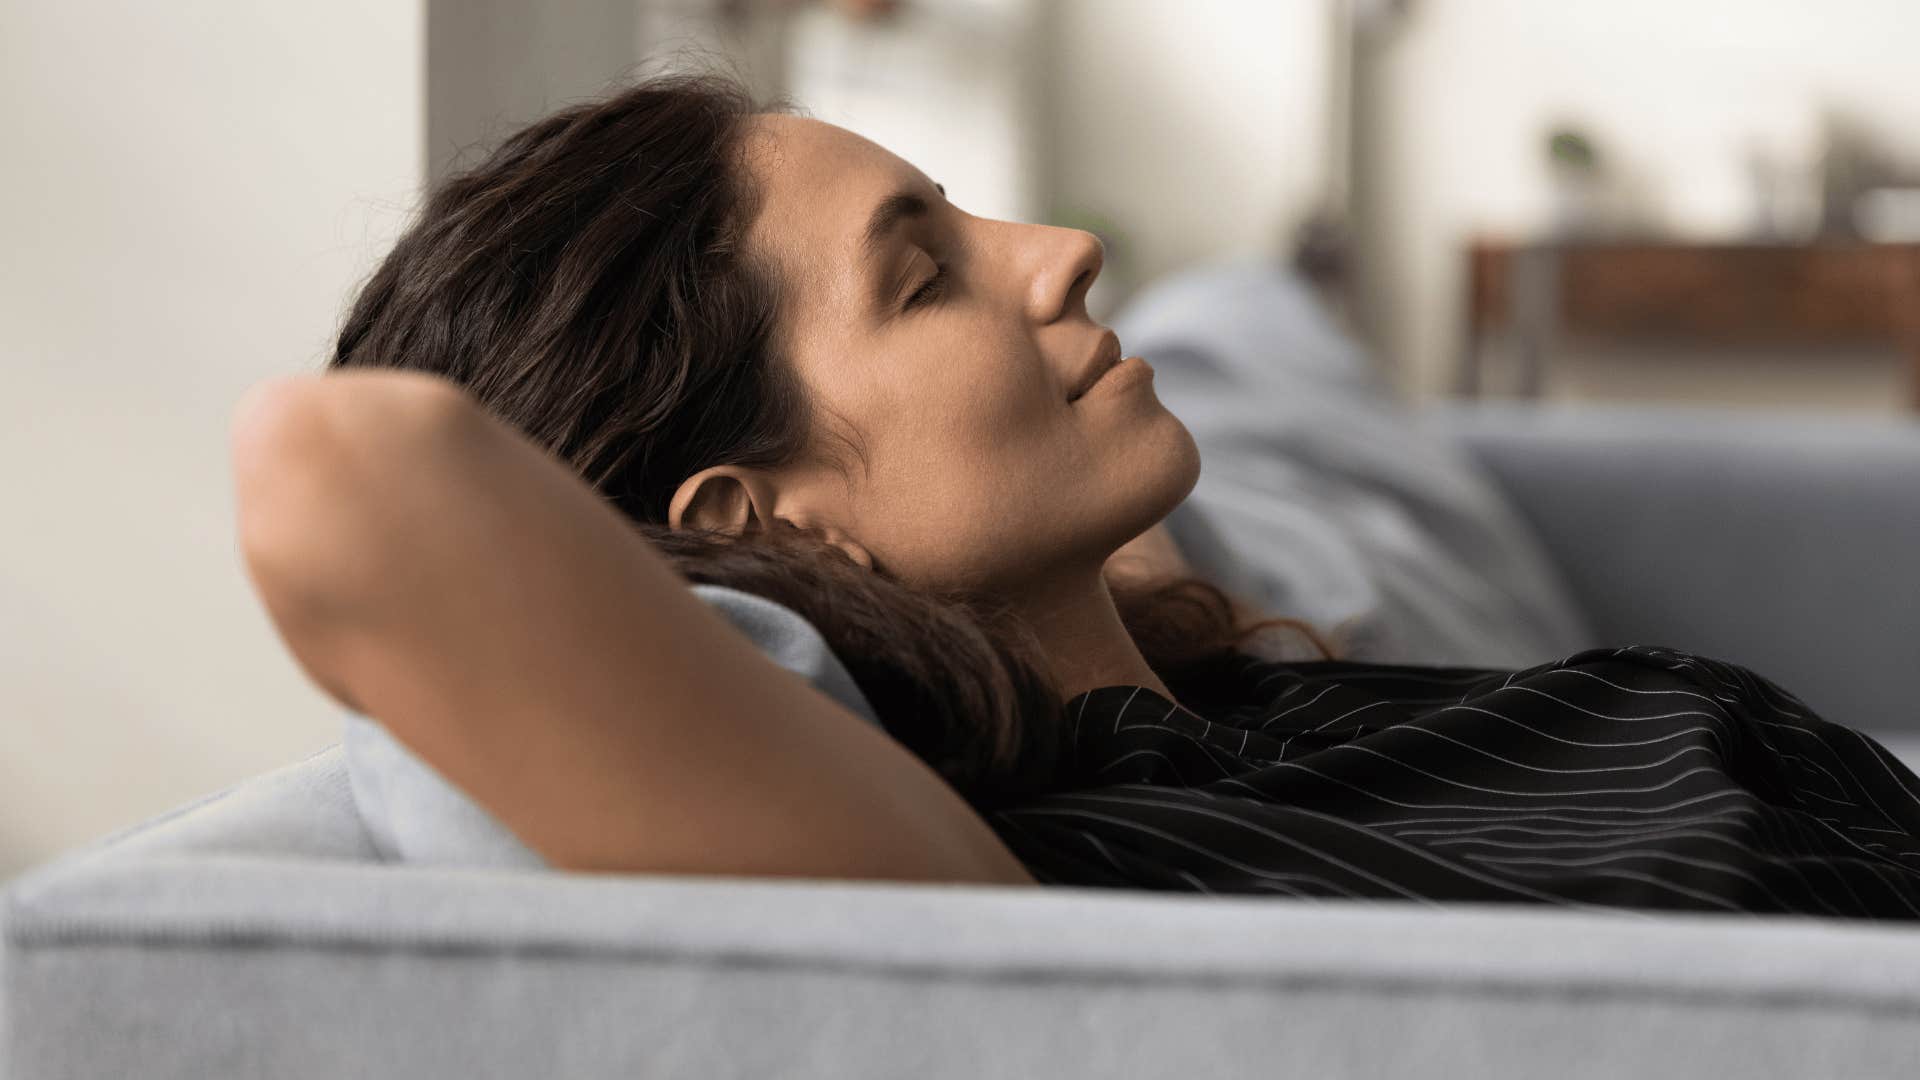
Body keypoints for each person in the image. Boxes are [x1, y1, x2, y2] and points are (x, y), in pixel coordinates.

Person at [231, 71, 1920, 918]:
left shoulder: (1205, 683)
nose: (1063, 250)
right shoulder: (977, 878)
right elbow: (339, 469)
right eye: (924, 277)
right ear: (764, 520)